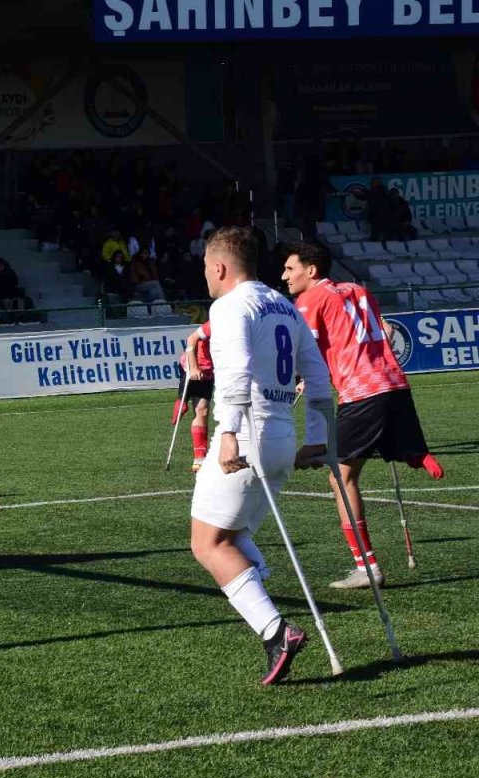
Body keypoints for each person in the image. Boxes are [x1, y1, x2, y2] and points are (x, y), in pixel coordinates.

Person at [192, 226, 333, 685]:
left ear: (219, 266)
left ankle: (276, 632)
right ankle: (257, 577)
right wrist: (318, 436)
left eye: (206, 269)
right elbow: (317, 373)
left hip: (248, 432)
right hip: (281, 436)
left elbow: (234, 369)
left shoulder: (230, 305)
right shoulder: (284, 305)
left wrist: (228, 430)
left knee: (208, 543)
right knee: (232, 533)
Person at [282, 241, 444, 590]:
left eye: (290, 269)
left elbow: (305, 351)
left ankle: (366, 567)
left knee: (340, 479)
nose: (284, 277)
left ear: (311, 270)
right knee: (355, 457)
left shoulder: (309, 299)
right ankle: (414, 452)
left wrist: (297, 379)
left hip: (361, 392)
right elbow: (379, 330)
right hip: (395, 383)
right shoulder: (358, 289)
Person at [175, 320, 214, 472]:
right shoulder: (216, 322)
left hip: (209, 372)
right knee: (183, 407)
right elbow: (191, 339)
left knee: (202, 410)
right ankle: (180, 403)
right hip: (192, 366)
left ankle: (199, 457)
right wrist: (194, 367)